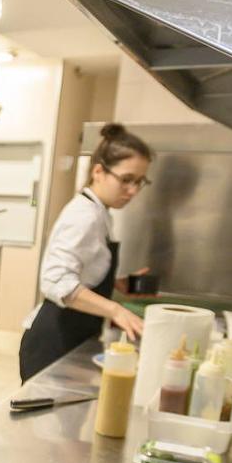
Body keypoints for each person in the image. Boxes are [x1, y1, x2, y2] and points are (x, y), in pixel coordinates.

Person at [18, 123, 152, 383]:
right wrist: (116, 310)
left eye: (139, 181)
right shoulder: (85, 216)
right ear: (99, 172)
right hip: (53, 341)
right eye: (126, 179)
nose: (133, 190)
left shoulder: (100, 212)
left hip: (72, 336)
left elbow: (82, 270)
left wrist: (119, 283)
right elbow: (56, 281)